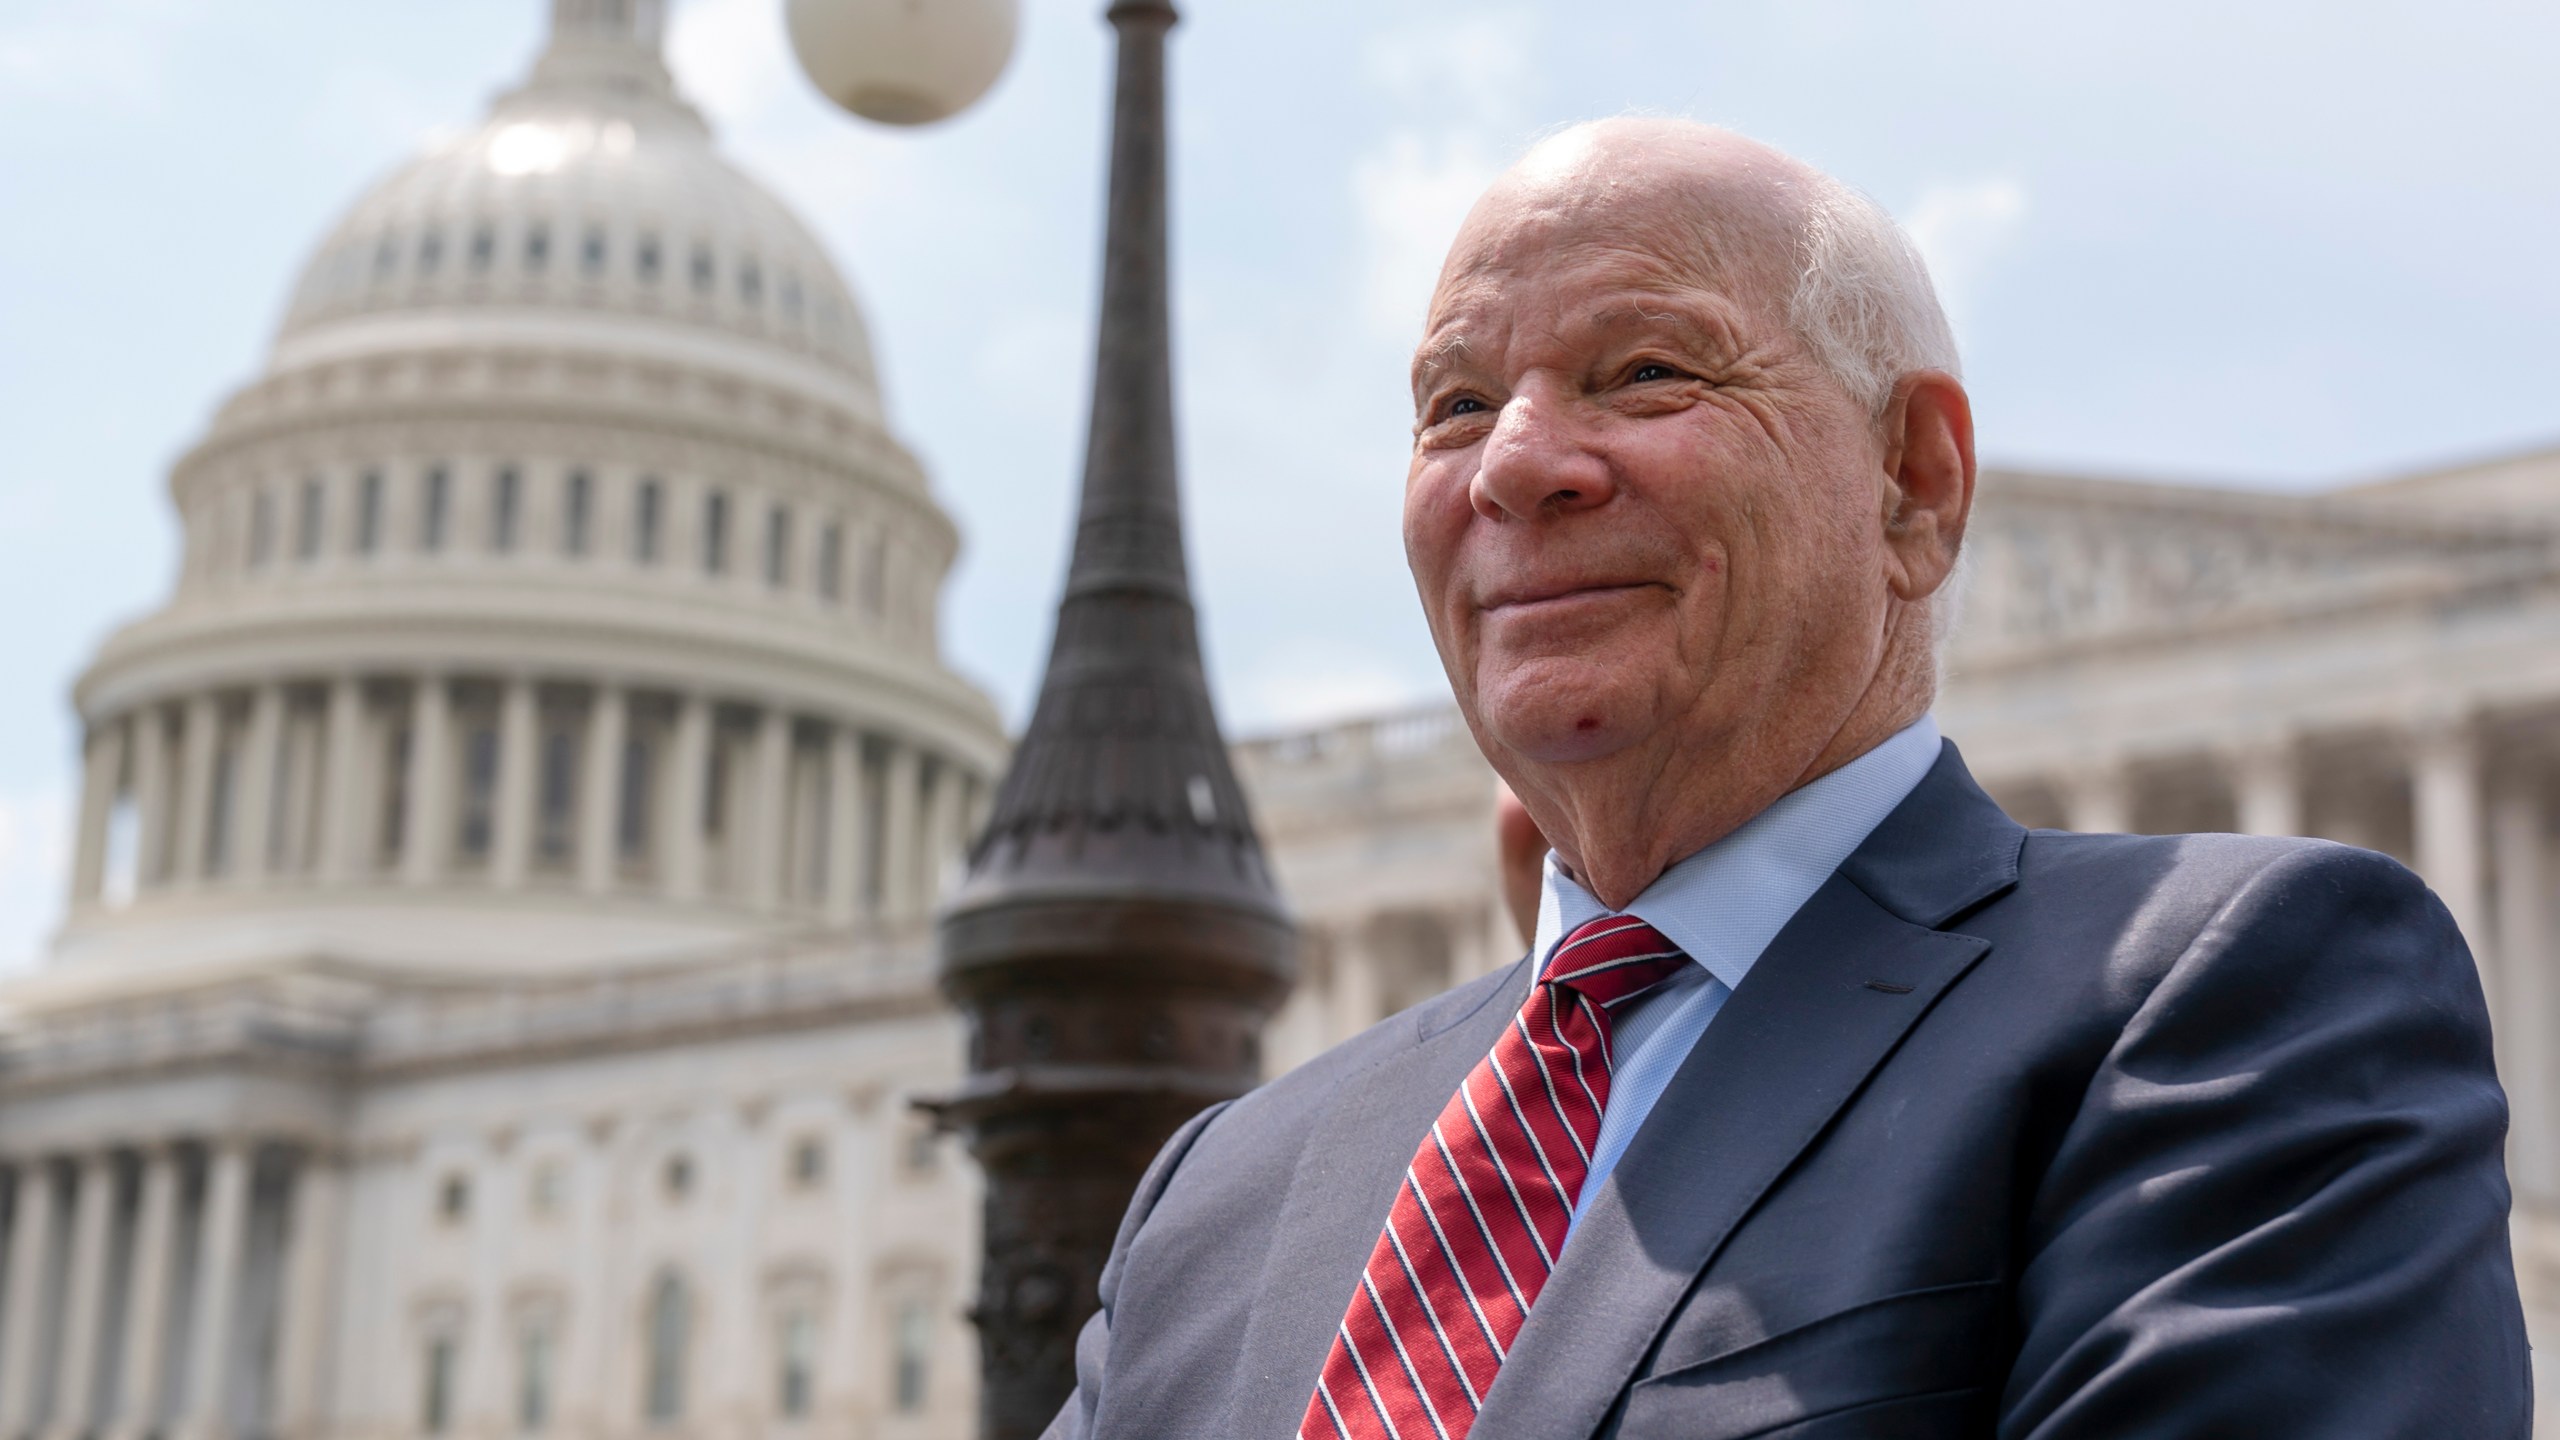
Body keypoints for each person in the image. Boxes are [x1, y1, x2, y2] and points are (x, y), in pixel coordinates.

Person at [1042, 118, 2530, 1438]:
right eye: (1453, 405)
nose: (1514, 463)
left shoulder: (2234, 1004)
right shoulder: (1213, 1200)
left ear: (1913, 484)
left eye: (1643, 371)